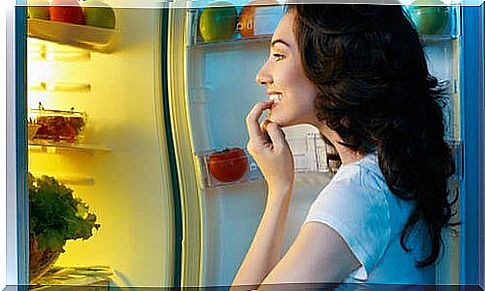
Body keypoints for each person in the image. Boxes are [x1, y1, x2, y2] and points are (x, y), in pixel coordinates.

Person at [231, 3, 457, 290]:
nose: (262, 75)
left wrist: (278, 191)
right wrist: (280, 186)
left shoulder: (358, 194)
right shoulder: (383, 174)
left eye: (278, 55)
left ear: (333, 65)